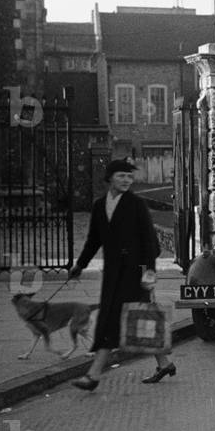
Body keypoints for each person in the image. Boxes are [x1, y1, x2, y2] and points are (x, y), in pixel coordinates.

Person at [67, 159, 176, 390]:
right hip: (113, 274)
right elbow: (94, 240)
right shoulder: (99, 206)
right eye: (121, 176)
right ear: (109, 178)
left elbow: (151, 243)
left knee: (123, 320)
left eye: (129, 177)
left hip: (135, 274)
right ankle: (164, 364)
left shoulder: (136, 204)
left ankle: (94, 375)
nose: (126, 180)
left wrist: (148, 273)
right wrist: (80, 265)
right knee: (133, 321)